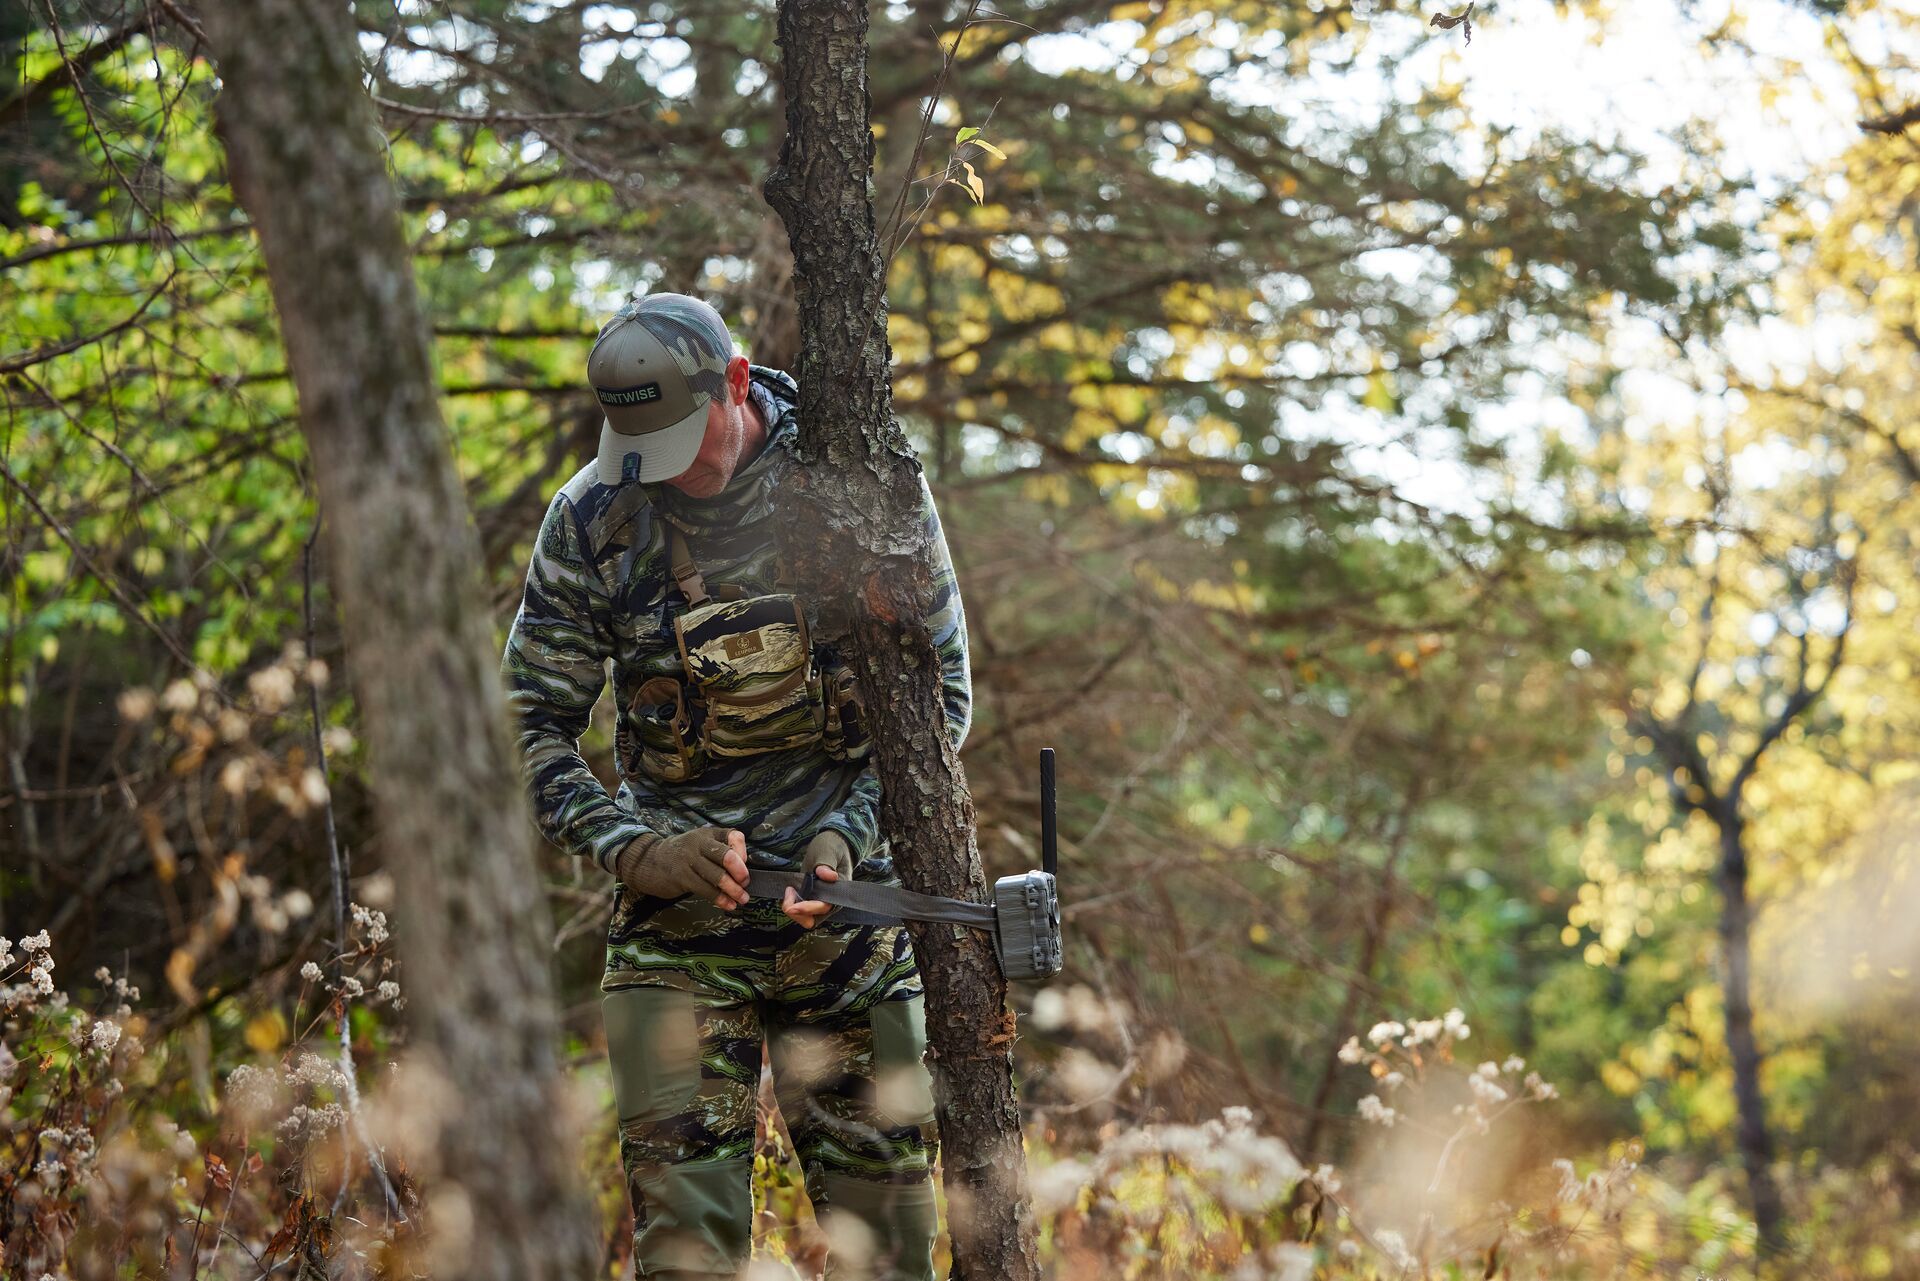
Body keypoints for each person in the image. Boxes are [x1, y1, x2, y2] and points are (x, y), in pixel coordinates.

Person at [500, 292, 972, 1280]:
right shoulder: (594, 517)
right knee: (687, 1261)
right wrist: (636, 850)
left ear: (740, 383)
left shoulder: (851, 485)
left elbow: (942, 703)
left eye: (681, 435)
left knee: (888, 1253)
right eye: (640, 441)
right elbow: (528, 728)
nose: (665, 467)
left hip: (844, 920)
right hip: (677, 933)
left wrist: (846, 836)